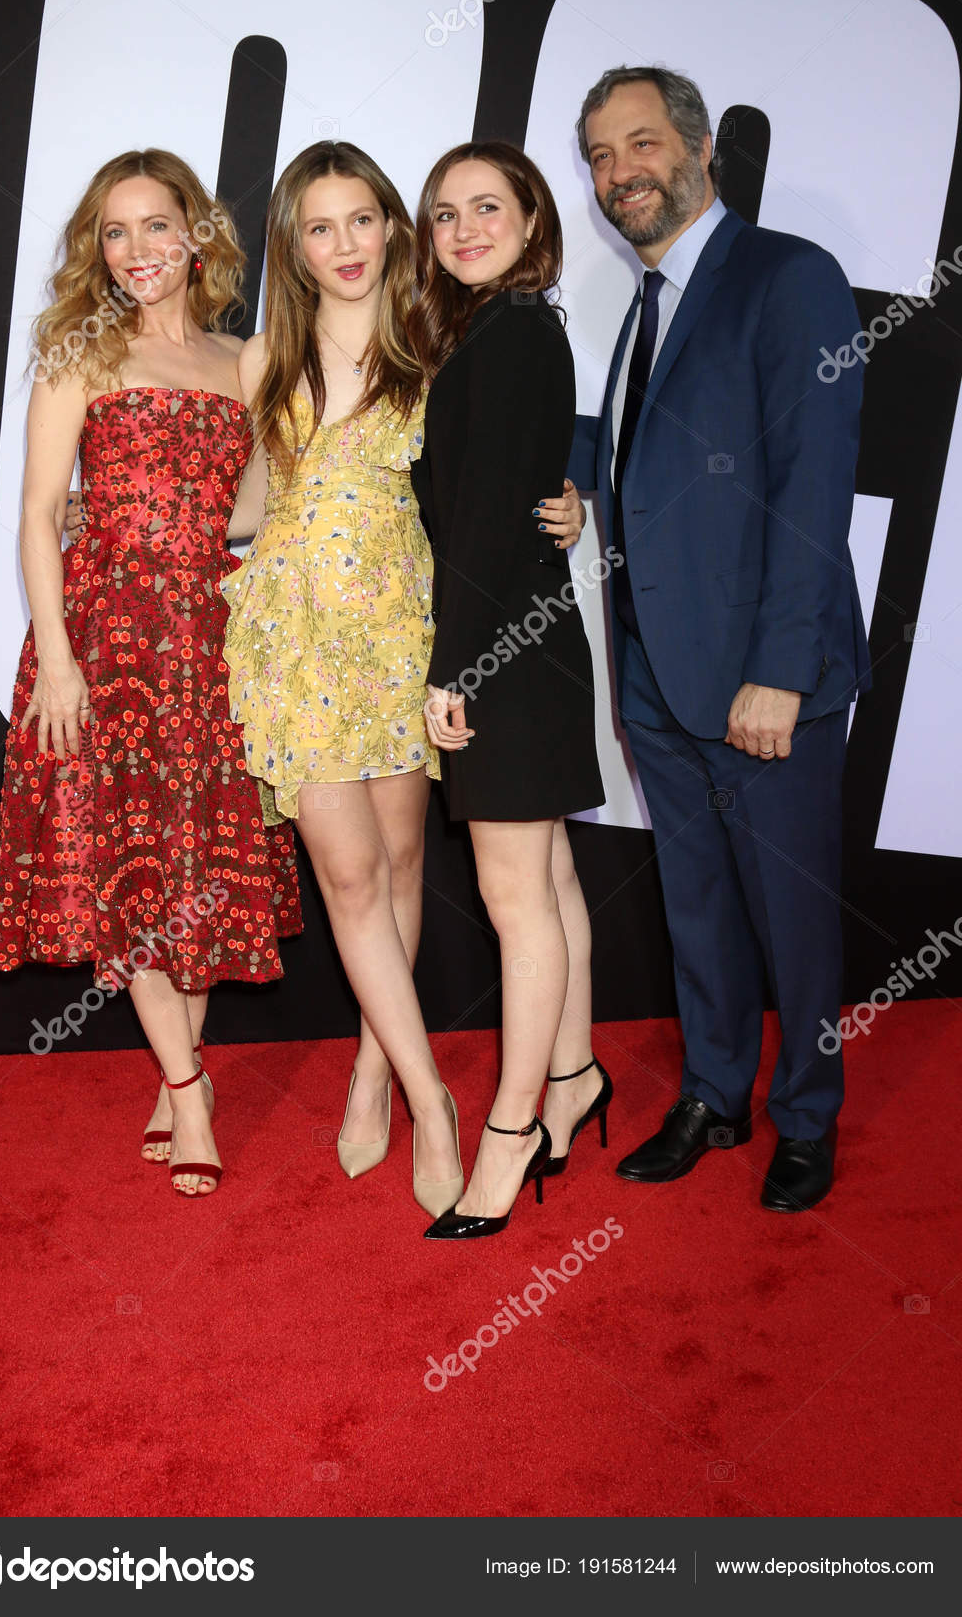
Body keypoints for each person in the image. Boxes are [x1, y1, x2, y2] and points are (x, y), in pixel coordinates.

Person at [221, 141, 587, 1220]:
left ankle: (374, 1064)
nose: (343, 245)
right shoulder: (263, 355)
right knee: (344, 877)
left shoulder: (439, 336)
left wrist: (571, 506)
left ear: (393, 228)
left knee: (398, 864)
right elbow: (245, 503)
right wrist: (100, 516)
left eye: (362, 220)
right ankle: (431, 1096)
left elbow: (497, 469)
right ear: (294, 243)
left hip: (401, 629)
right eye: (318, 226)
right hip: (295, 635)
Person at [577, 65, 870, 1211]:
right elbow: (652, 466)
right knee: (694, 900)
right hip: (654, 670)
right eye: (600, 155)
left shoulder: (785, 277)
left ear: (697, 147)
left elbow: (813, 487)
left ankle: (806, 1115)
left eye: (639, 143)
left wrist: (777, 671)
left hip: (761, 682)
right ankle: (713, 1092)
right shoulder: (643, 303)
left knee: (789, 918)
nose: (619, 173)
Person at [0, 149, 301, 1198]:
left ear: (196, 235)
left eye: (155, 227)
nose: (136, 252)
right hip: (104, 638)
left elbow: (251, 511)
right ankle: (191, 1084)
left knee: (196, 866)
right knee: (130, 868)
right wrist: (60, 664)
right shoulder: (79, 352)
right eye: (114, 233)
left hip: (207, 639)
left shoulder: (248, 360)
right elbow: (36, 513)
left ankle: (178, 1081)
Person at [410, 142, 608, 1241]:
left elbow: (484, 523)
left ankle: (512, 1129)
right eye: (444, 213)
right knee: (551, 876)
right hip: (527, 635)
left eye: (488, 206)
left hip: (502, 650)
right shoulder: (499, 331)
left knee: (512, 898)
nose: (464, 227)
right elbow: (507, 496)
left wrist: (456, 669)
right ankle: (573, 1076)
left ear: (534, 218)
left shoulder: (516, 331)